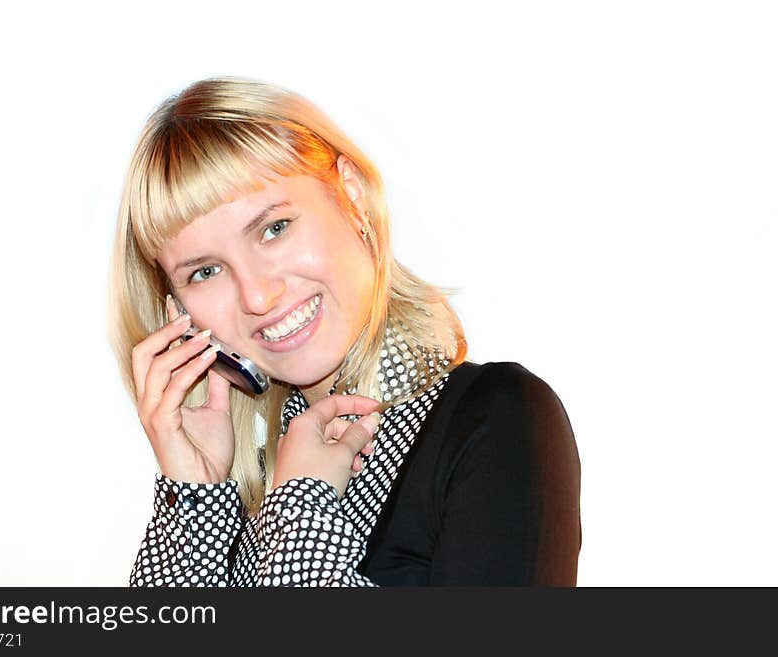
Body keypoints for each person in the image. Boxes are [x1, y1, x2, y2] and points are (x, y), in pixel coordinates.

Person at [108, 76, 581, 586]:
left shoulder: (499, 417)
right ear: (180, 312)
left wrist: (301, 515)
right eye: (204, 271)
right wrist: (194, 505)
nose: (257, 296)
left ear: (352, 198)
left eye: (274, 228)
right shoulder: (239, 506)